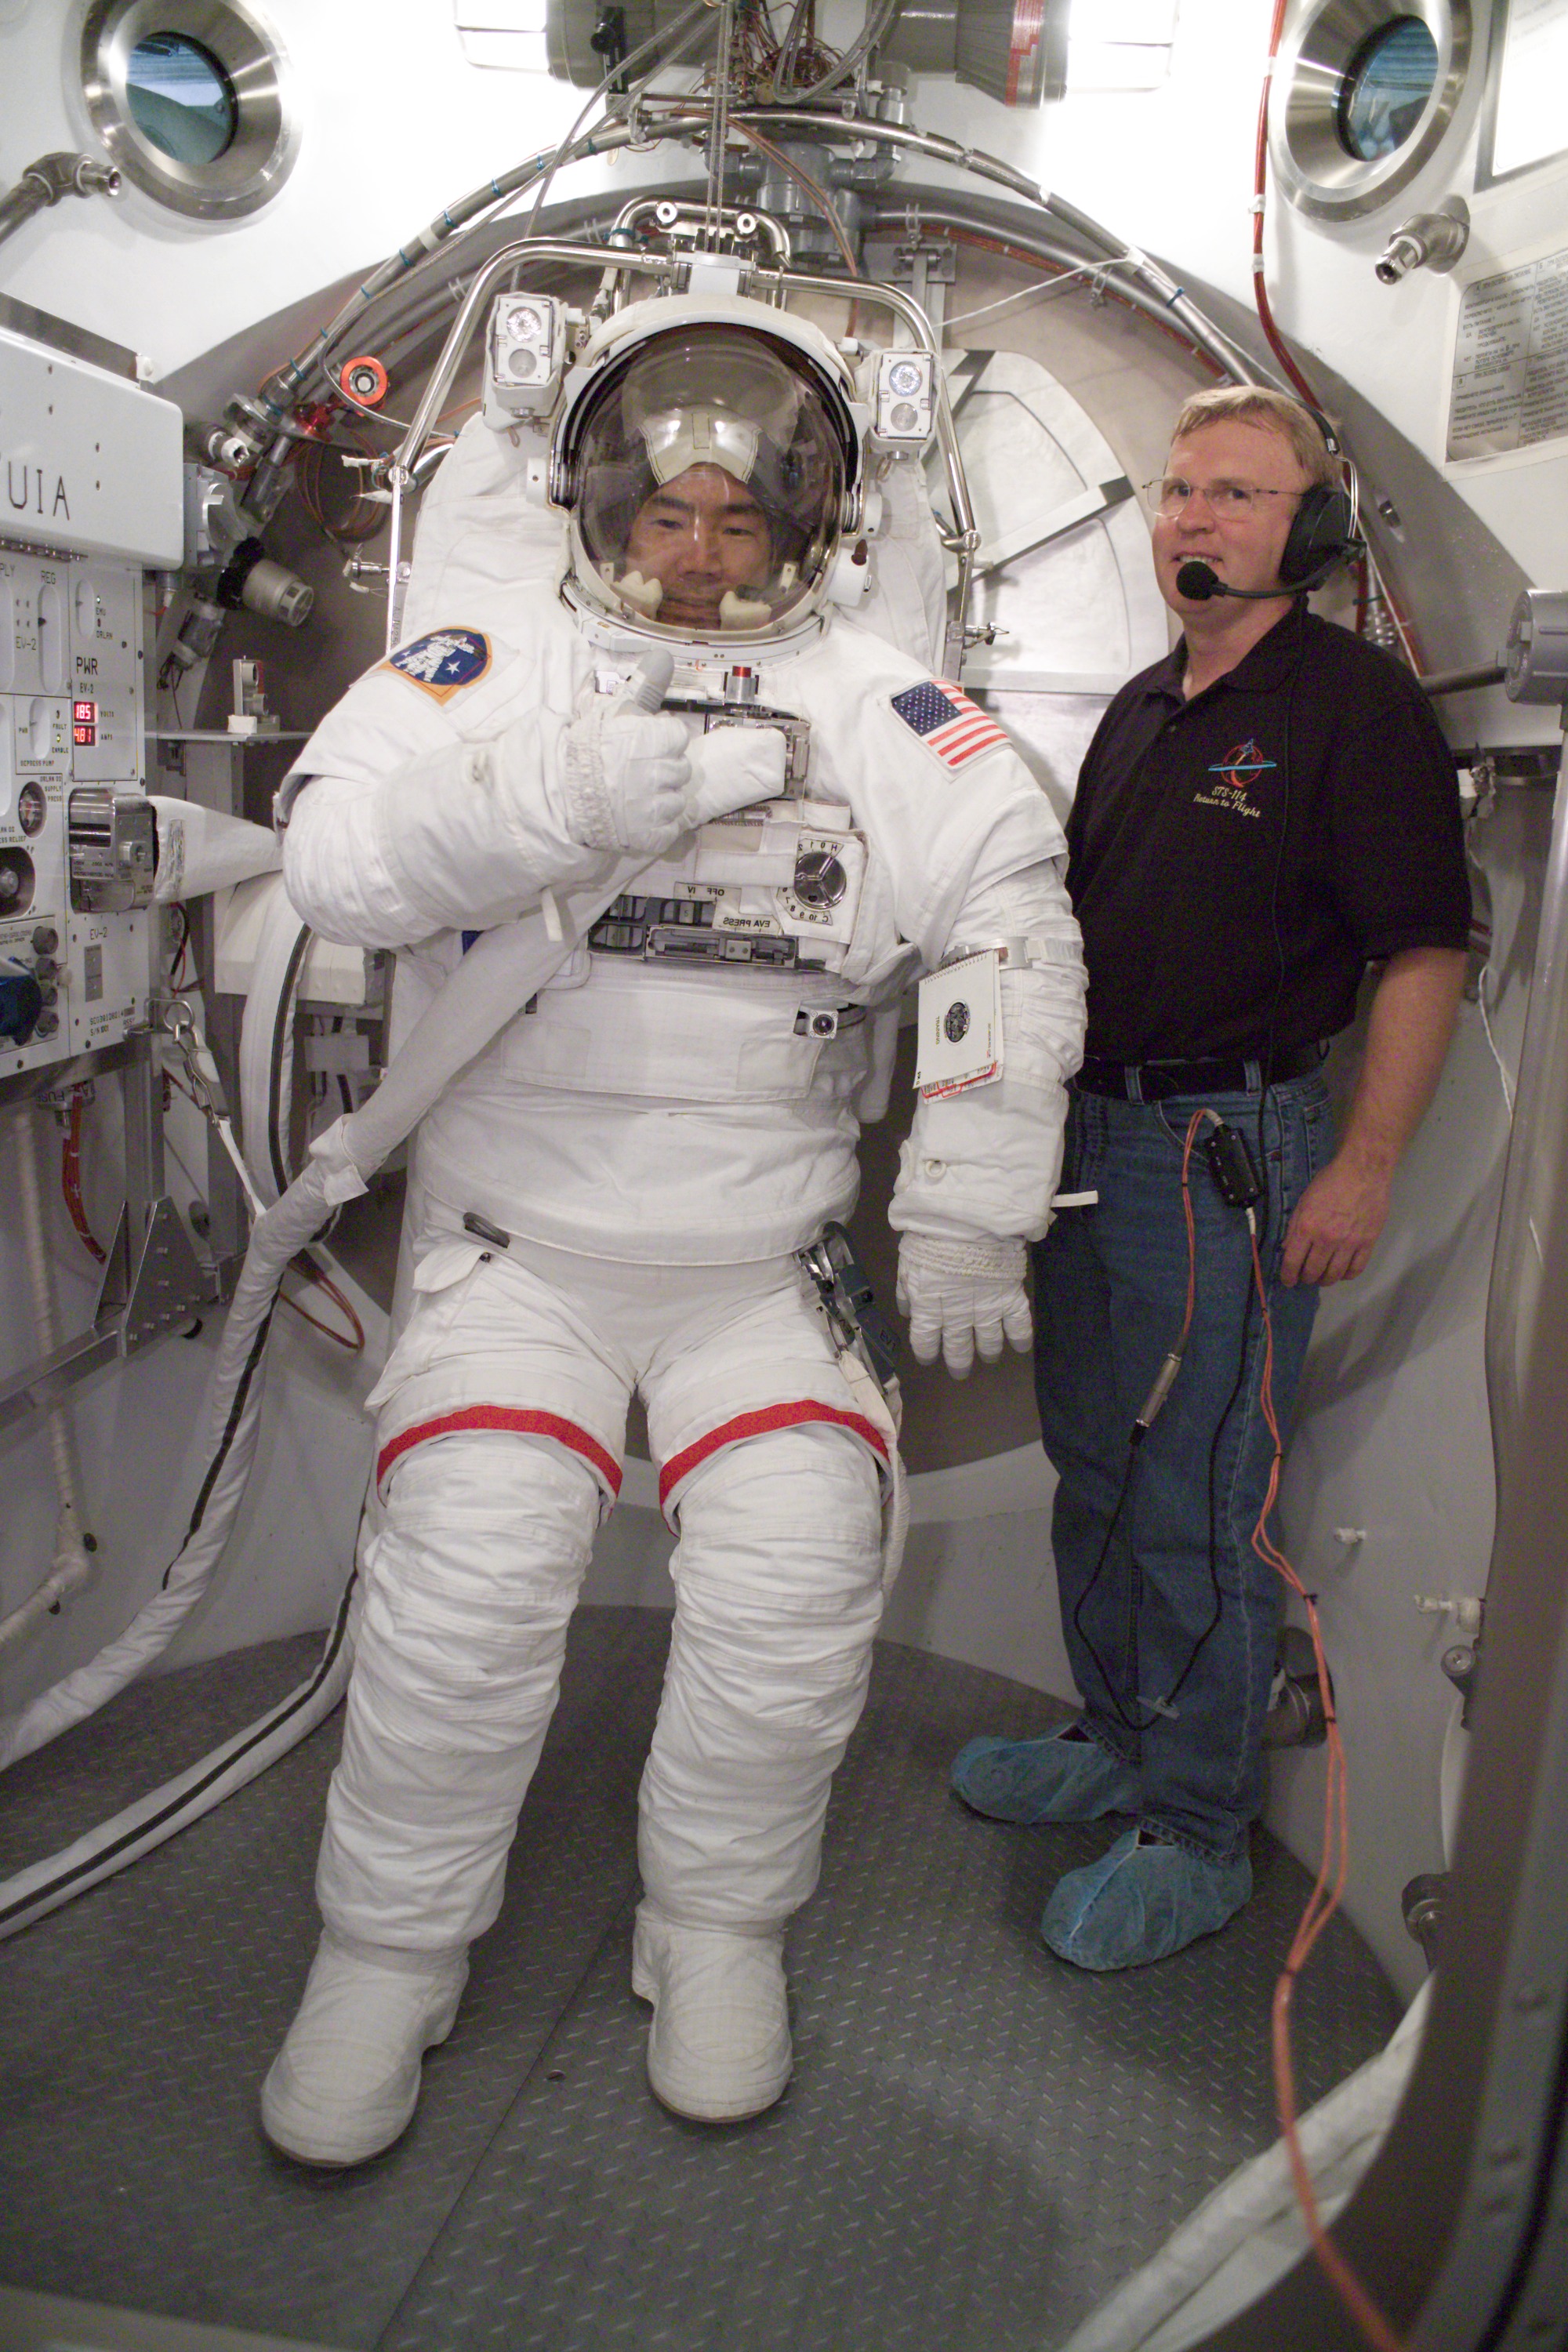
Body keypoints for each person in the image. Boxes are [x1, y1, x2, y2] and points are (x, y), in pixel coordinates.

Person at [261, 292, 1087, 2161]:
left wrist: (965, 1208)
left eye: (738, 520)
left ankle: (713, 1929)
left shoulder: (886, 707)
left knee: (796, 1595)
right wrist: (555, 794)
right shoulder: (478, 672)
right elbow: (333, 857)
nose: (698, 549)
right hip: (517, 1251)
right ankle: (387, 1955)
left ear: (804, 532)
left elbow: (1007, 922)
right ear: (604, 512)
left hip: (756, 1263)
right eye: (667, 513)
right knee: (464, 1597)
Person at [951, 385, 1471, 1973]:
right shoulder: (1137, 711)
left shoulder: (1354, 708)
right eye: (1177, 492)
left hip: (1227, 1157)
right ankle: (1113, 1736)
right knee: (1094, 1471)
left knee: (1193, 1498)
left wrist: (1361, 1170)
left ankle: (1193, 1823)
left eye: (1235, 493)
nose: (1193, 519)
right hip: (1098, 1145)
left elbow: (1422, 952)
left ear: (1303, 528)